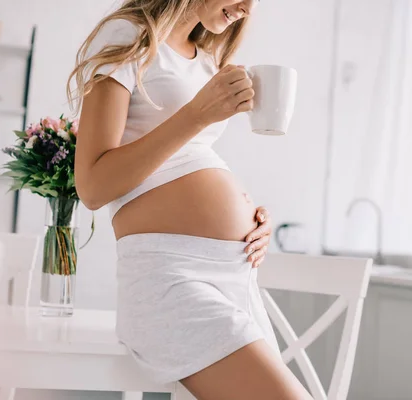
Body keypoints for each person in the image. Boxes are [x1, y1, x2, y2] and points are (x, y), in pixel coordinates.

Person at [67, 1, 312, 399]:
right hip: (171, 278)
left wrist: (252, 217)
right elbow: (93, 186)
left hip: (236, 277)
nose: (247, 8)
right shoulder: (131, 36)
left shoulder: (205, 59)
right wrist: (198, 113)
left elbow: (188, 159)